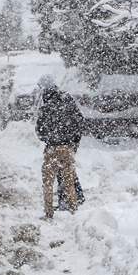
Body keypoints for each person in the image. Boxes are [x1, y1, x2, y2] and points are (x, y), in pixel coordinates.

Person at [35, 75, 84, 220]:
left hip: (51, 149)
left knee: (48, 183)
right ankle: (74, 210)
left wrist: (50, 139)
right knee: (69, 181)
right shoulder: (67, 100)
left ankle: (48, 213)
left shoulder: (46, 106)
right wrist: (72, 141)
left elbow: (39, 130)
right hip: (67, 148)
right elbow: (79, 121)